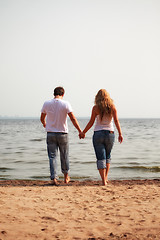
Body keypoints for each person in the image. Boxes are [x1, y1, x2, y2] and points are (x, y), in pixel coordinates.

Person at [79, 89, 123, 186]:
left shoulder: (95, 108)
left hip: (98, 134)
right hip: (110, 133)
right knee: (107, 156)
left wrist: (83, 132)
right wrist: (120, 133)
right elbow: (116, 121)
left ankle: (103, 180)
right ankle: (105, 179)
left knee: (100, 157)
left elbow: (91, 122)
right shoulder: (112, 107)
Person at [40, 86, 82, 185]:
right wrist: (80, 131)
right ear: (63, 94)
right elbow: (73, 118)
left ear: (54, 94)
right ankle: (66, 177)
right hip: (63, 133)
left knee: (52, 156)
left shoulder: (46, 103)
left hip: (50, 133)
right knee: (64, 155)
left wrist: (45, 124)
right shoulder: (66, 103)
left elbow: (42, 118)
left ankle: (54, 178)